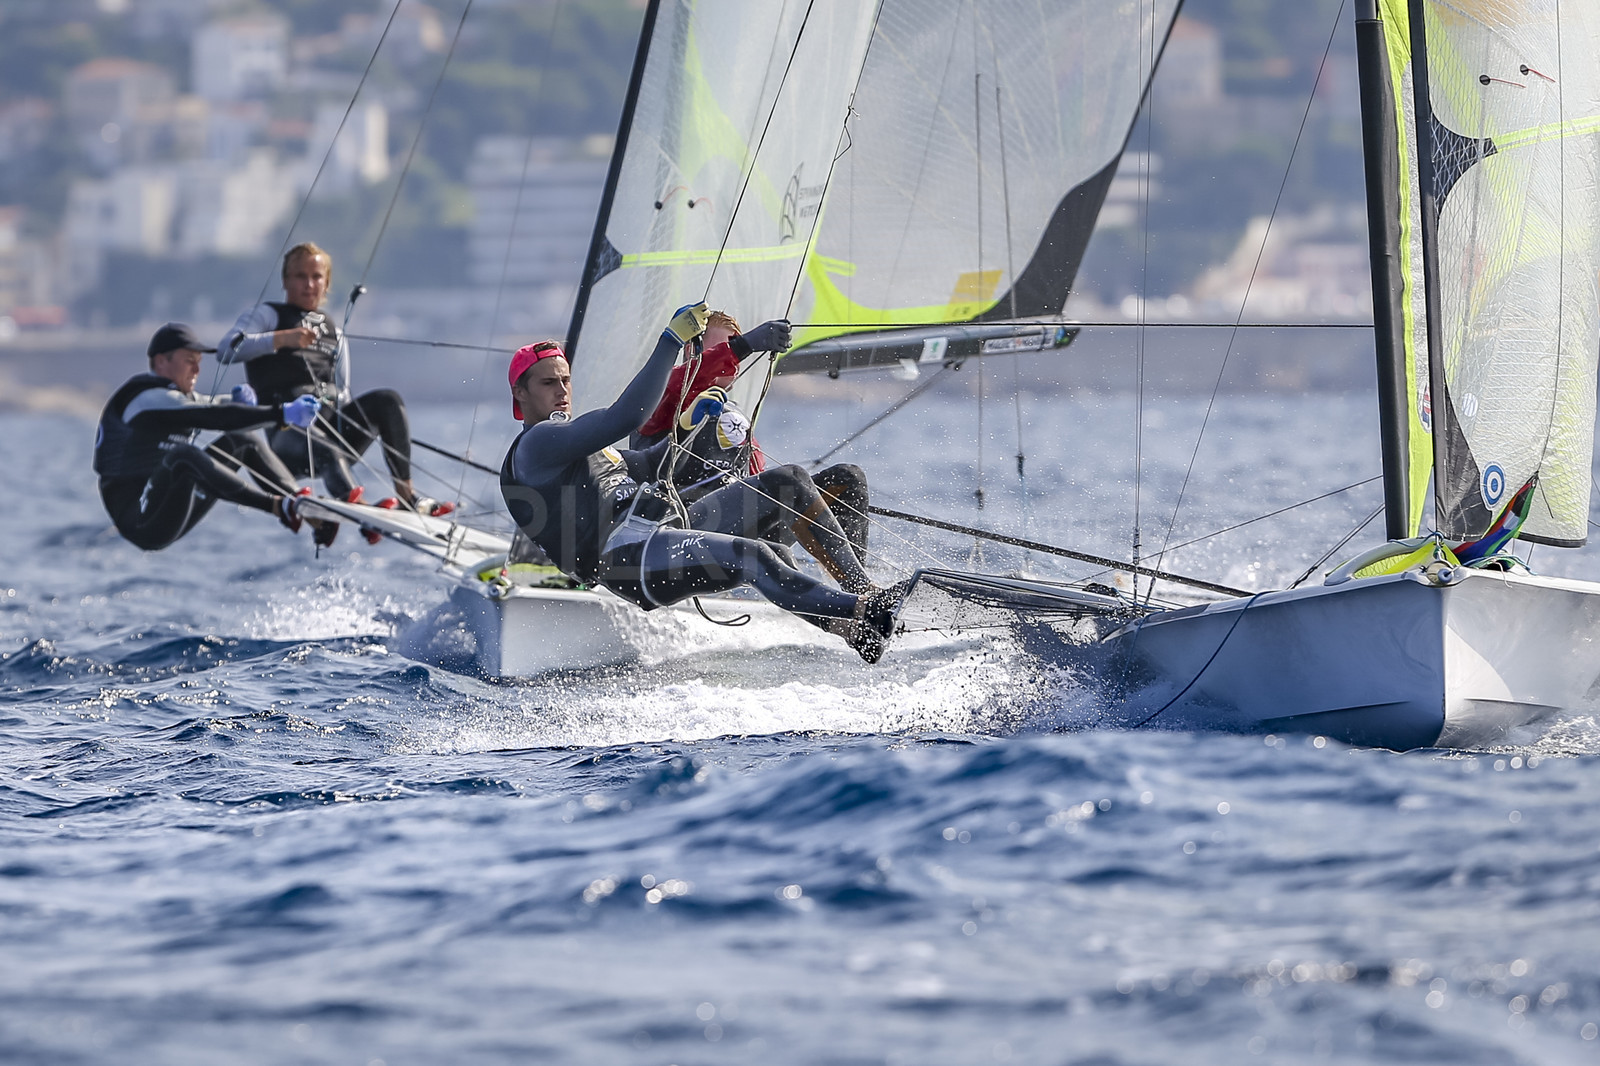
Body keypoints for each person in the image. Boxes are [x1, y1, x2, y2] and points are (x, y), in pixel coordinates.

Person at [500, 304, 906, 663]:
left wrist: (687, 425)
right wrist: (670, 341)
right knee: (754, 556)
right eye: (548, 383)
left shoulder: (579, 449)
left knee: (786, 496)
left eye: (565, 380)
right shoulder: (537, 443)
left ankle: (859, 614)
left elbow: (650, 464)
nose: (562, 391)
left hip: (660, 533)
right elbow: (625, 417)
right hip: (627, 561)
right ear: (520, 392)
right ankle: (861, 611)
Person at [218, 241, 453, 522]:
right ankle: (362, 508)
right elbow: (226, 350)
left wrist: (381, 429)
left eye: (316, 277)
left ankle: (407, 497)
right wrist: (281, 339)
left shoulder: (335, 333)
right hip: (287, 439)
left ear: (326, 283)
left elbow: (344, 394)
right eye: (300, 276)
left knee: (388, 401)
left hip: (332, 435)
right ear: (285, 280)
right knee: (327, 449)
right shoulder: (268, 316)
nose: (309, 284)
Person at [634, 309, 871, 560]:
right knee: (791, 477)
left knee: (848, 478)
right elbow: (677, 383)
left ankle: (857, 582)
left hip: (743, 525)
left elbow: (757, 479)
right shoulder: (660, 394)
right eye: (722, 348)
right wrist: (744, 345)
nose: (733, 362)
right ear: (692, 351)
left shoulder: (734, 416)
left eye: (733, 349)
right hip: (682, 527)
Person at [94, 322, 320, 551]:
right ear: (161, 361)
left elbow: (216, 405)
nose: (196, 370)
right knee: (184, 455)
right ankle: (278, 507)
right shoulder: (147, 399)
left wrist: (241, 403)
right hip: (140, 521)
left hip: (172, 505)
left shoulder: (177, 397)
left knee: (242, 441)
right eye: (189, 361)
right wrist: (282, 414)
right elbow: (213, 416)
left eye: (199, 362)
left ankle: (301, 503)